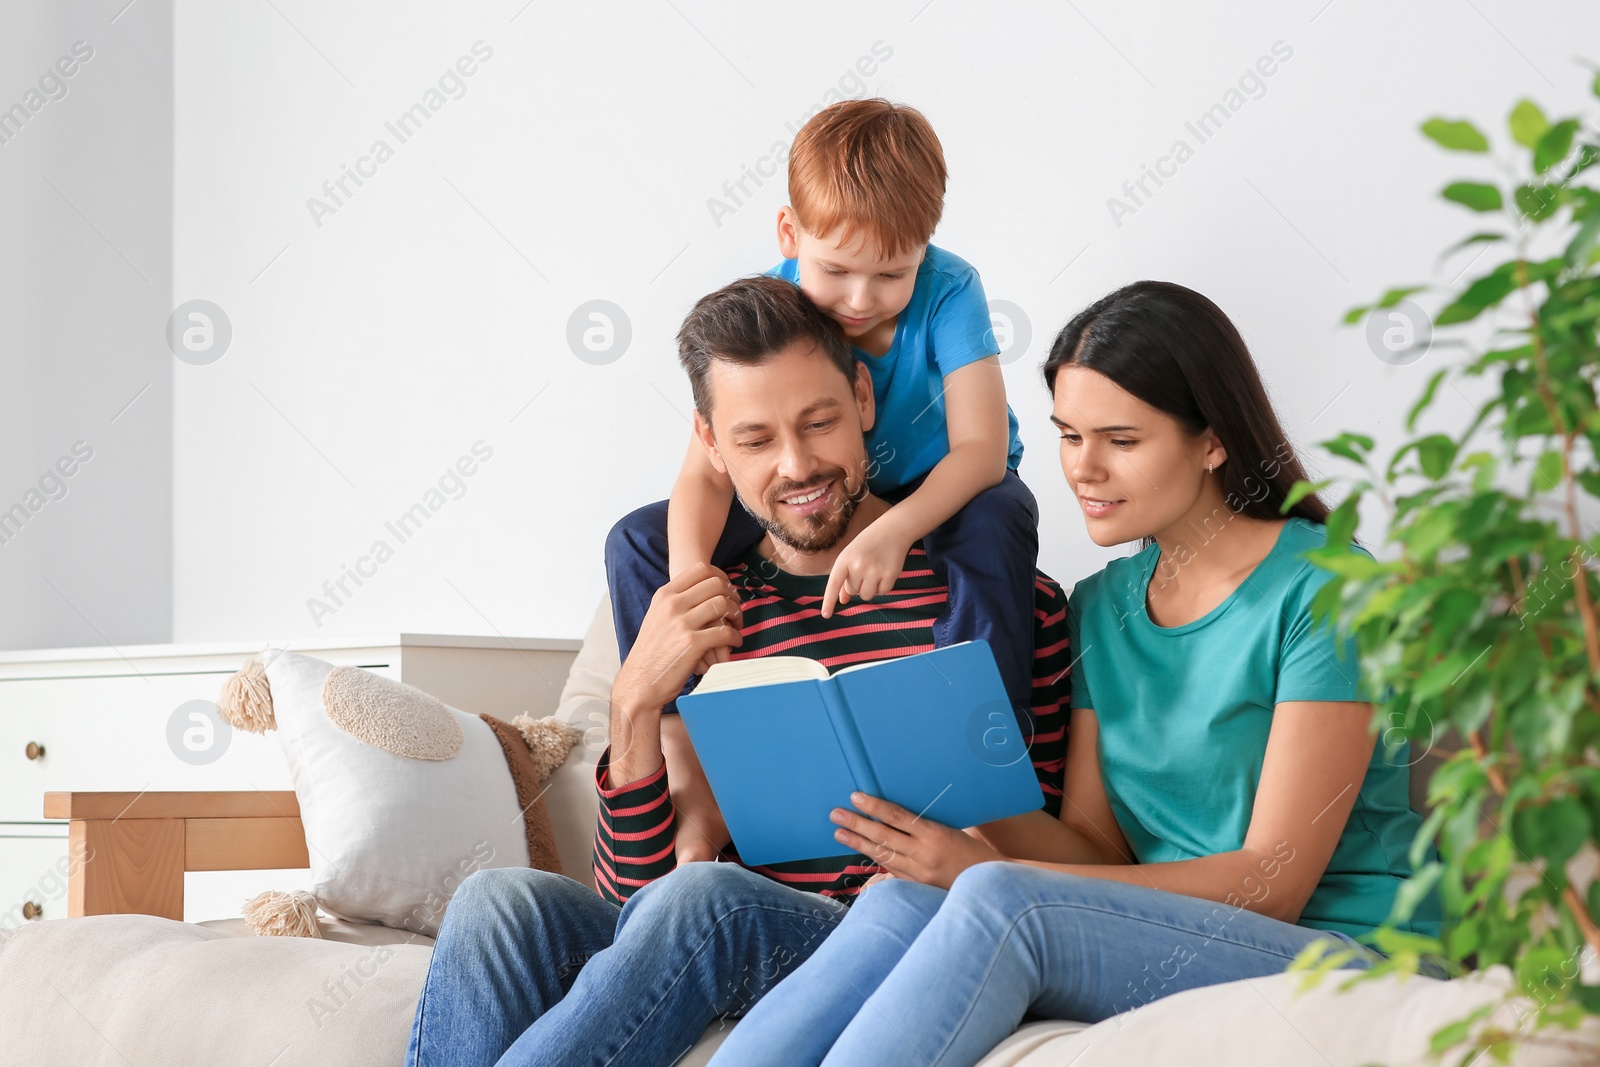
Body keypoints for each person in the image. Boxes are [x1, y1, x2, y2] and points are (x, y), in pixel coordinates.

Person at [708, 280, 1445, 1067]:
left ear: (1212, 440)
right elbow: (1095, 849)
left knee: (998, 898)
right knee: (898, 896)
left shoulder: (1326, 589)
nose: (1083, 470)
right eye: (1067, 434)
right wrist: (948, 781)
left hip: (1336, 950)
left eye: (1120, 440)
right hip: (1161, 936)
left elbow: (1271, 883)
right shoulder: (1103, 605)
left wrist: (994, 868)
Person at [405, 275, 1070, 1067]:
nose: (797, 465)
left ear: (863, 398)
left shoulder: (988, 597)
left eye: (819, 422)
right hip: (707, 938)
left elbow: (1047, 861)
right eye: (756, 439)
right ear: (710, 442)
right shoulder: (703, 610)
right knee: (497, 902)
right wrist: (635, 703)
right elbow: (634, 906)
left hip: (878, 936)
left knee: (711, 900)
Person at [605, 98, 1039, 864]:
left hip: (939, 491)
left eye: (890, 274)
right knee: (637, 536)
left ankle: (978, 725)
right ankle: (690, 721)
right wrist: (688, 588)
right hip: (827, 513)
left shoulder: (949, 290)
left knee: (1003, 510)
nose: (860, 301)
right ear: (789, 236)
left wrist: (894, 529)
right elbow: (702, 477)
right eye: (836, 270)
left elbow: (980, 452)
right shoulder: (769, 314)